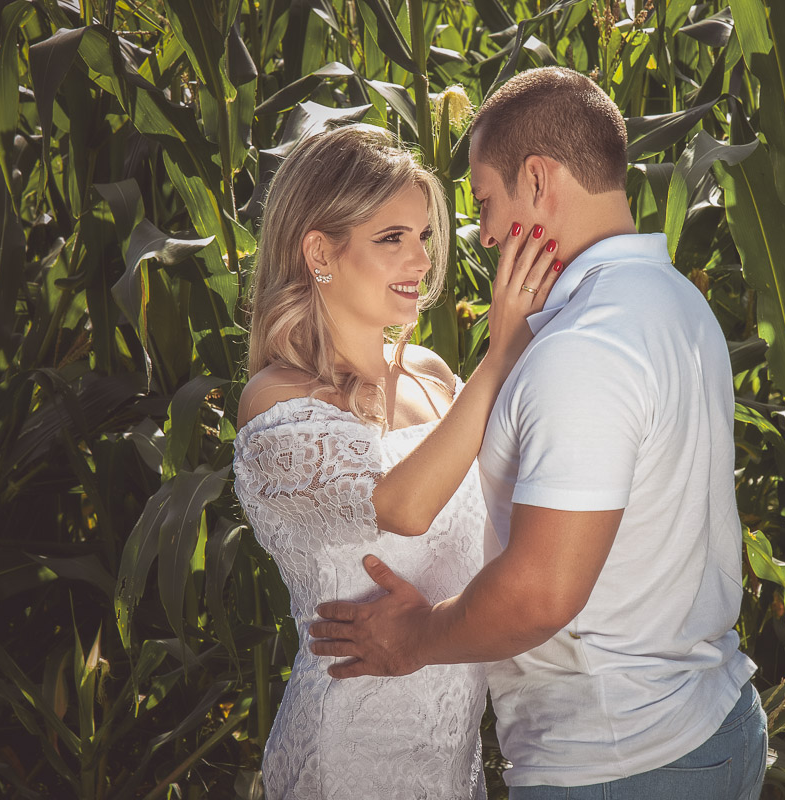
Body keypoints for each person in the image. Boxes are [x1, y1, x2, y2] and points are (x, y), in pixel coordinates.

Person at [310, 69, 768, 798]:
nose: (487, 234)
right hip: (713, 723)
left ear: (537, 178)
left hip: (619, 762)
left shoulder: (583, 346)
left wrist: (411, 639)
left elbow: (540, 594)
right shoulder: (674, 299)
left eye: (486, 202)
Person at [232, 123, 562, 799]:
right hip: (348, 753)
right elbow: (403, 508)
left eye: (424, 236)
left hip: (451, 752)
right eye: (391, 238)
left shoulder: (433, 377)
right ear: (319, 252)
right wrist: (500, 355)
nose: (420, 260)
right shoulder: (275, 398)